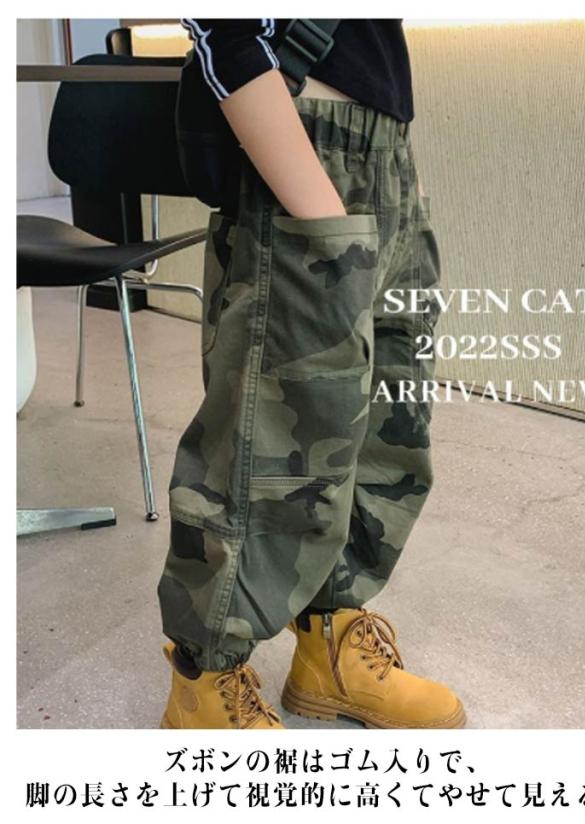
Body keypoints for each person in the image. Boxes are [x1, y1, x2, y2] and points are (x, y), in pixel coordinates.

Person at [157, 18, 465, 729]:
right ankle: (205, 682)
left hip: (384, 149)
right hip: (300, 134)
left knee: (385, 427)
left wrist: (396, 168)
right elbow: (223, 25)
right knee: (271, 446)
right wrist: (320, 203)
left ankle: (330, 648)